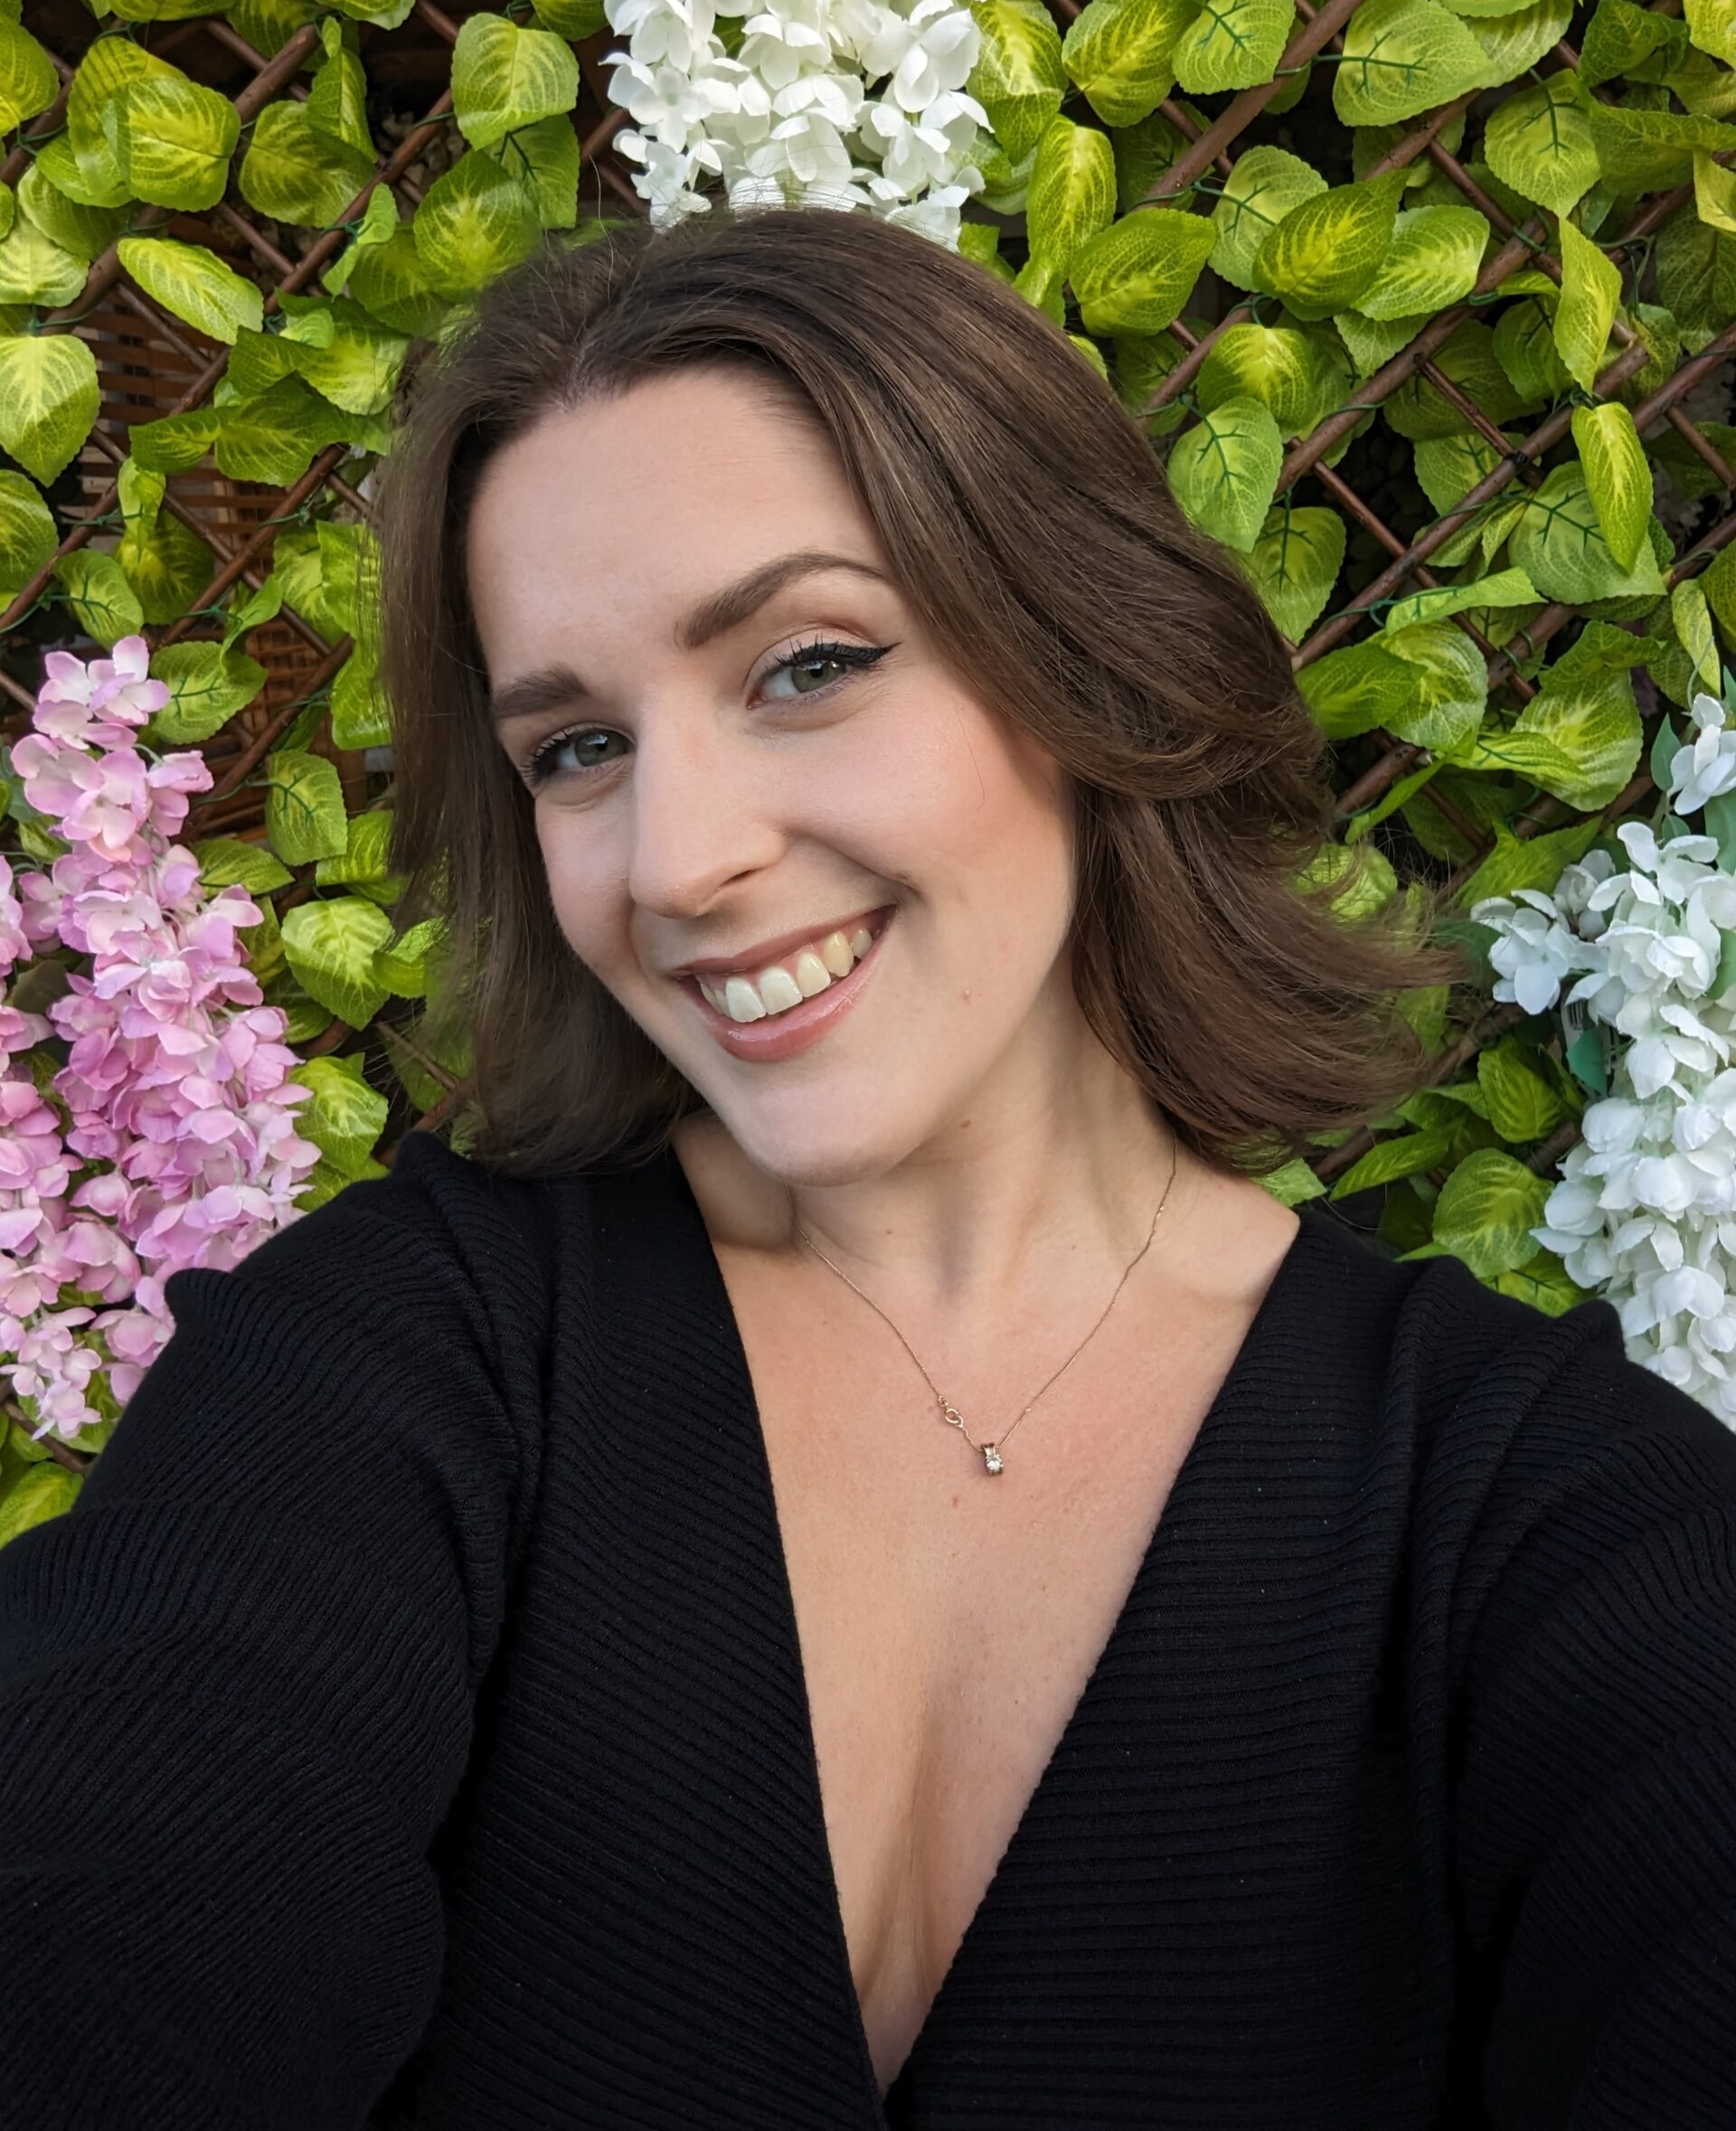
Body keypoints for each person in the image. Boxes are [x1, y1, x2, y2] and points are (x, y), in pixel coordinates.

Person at [3, 203, 1733, 2131]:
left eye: (807, 662)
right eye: (576, 746)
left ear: (1087, 662)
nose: (672, 858)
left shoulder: (1543, 1515)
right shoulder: (398, 1368)